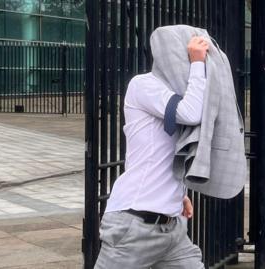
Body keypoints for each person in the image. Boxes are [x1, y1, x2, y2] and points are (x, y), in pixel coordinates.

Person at [94, 35, 209, 269]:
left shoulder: (178, 92)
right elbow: (190, 113)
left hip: (172, 229)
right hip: (134, 226)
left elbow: (166, 151)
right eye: (186, 56)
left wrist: (176, 194)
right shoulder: (143, 84)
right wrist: (198, 64)